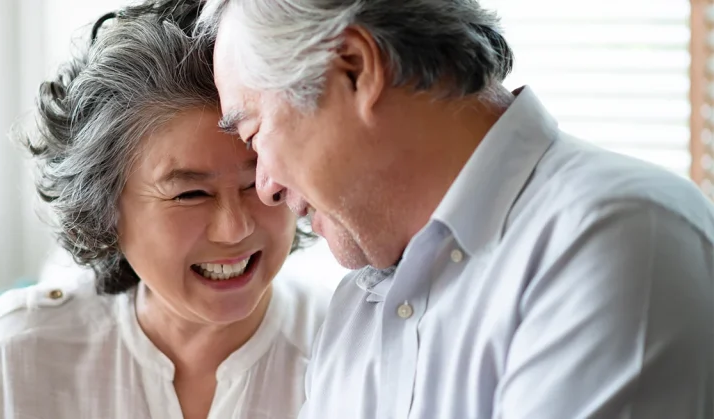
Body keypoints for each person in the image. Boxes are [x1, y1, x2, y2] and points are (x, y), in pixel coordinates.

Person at [197, 0, 714, 418]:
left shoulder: (613, 238)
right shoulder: (358, 307)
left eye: (255, 133)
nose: (265, 187)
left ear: (355, 69)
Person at [0, 2, 330, 419]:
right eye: (190, 194)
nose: (234, 229)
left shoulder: (347, 346)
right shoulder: (24, 352)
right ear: (105, 208)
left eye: (256, 182)